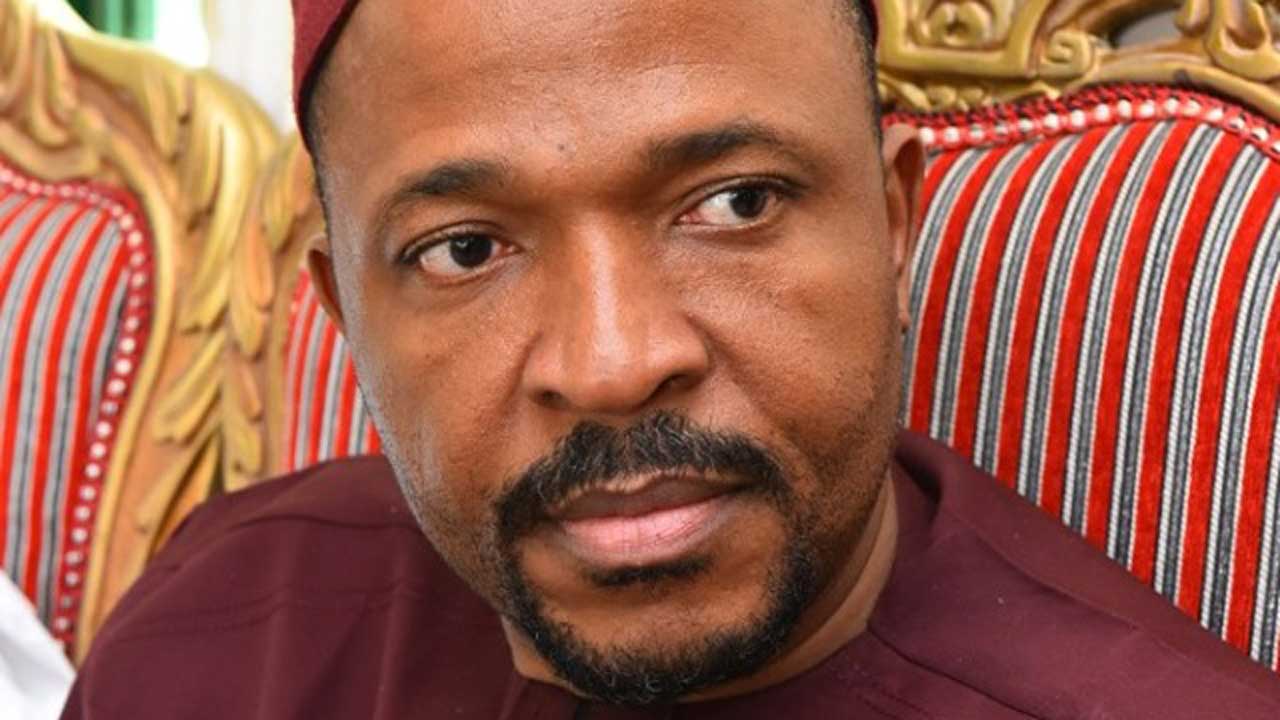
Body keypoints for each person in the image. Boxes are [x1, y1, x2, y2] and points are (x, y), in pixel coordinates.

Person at [63, 1, 1280, 717]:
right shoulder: (216, 627)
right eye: (464, 248)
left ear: (891, 226)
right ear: (344, 313)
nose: (611, 362)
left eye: (736, 203)